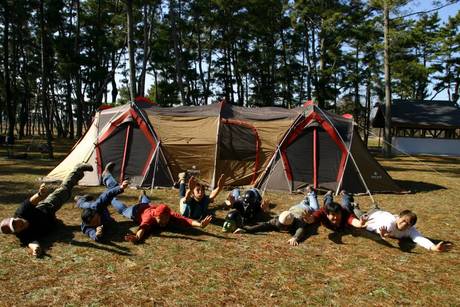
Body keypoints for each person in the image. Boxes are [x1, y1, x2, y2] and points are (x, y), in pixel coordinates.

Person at [102, 164, 213, 243]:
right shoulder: (149, 217)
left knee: (147, 202)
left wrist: (200, 225)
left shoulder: (169, 214)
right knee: (122, 208)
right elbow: (143, 228)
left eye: (166, 219)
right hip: (136, 210)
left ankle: (143, 196)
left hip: (149, 206)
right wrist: (137, 237)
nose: (164, 222)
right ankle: (107, 178)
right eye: (162, 220)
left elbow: (185, 220)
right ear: (156, 216)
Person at [0, 163, 93, 257]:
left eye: (15, 222)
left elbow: (32, 201)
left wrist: (40, 194)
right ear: (16, 232)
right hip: (53, 223)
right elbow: (31, 242)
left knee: (64, 190)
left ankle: (77, 170)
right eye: (15, 227)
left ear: (14, 218)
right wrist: (36, 249)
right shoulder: (23, 236)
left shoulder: (21, 212)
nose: (18, 223)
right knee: (80, 228)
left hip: (48, 207)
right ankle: (81, 199)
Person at [363, 209, 452, 252]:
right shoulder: (389, 223)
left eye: (408, 223)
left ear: (411, 226)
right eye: (404, 220)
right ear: (398, 217)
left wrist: (434, 247)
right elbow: (383, 231)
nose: (405, 224)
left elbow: (420, 239)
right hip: (372, 214)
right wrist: (383, 234)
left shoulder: (410, 230)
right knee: (355, 212)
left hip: (380, 213)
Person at [234, 209, 314, 246]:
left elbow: (300, 229)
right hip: (293, 208)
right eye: (281, 224)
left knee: (314, 206)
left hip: (304, 209)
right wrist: (246, 229)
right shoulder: (277, 221)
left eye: (284, 226)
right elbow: (263, 225)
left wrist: (295, 238)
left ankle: (311, 193)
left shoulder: (297, 221)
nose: (281, 227)